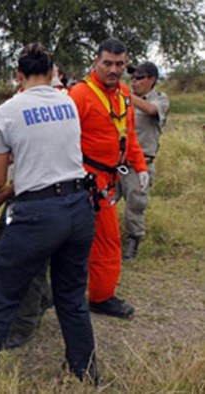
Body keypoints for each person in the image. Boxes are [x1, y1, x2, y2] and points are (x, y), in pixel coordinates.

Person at [0, 43, 97, 383]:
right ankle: (85, 372)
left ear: (18, 76)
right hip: (79, 207)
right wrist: (4, 191)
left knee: (4, 297)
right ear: (52, 74)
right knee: (72, 297)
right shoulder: (67, 102)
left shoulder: (8, 110)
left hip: (37, 214)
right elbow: (45, 168)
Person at [69, 38, 149, 318]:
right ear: (96, 62)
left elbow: (129, 135)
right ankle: (99, 297)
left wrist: (140, 166)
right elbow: (63, 140)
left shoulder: (124, 94)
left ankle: (95, 293)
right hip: (85, 180)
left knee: (95, 240)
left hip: (108, 178)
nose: (113, 69)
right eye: (108, 63)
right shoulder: (79, 95)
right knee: (102, 240)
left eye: (119, 64)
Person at [120, 61, 170, 261]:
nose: (134, 82)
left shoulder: (160, 99)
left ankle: (133, 242)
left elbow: (151, 110)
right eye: (132, 78)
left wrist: (126, 96)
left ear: (152, 79)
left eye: (139, 78)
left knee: (135, 206)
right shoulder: (123, 100)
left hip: (139, 165)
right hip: (116, 164)